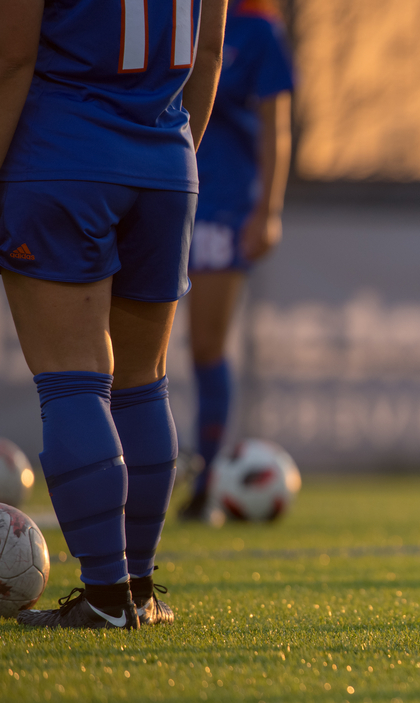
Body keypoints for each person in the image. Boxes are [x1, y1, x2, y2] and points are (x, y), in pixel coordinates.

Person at [0, 0, 227, 628]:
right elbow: (207, 55)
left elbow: (13, 55)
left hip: (59, 152)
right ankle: (138, 592)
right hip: (165, 157)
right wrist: (167, 160)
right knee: (139, 383)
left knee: (73, 379)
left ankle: (104, 598)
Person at [177, 0, 294, 522]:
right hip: (155, 190)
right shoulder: (175, 13)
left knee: (205, 345)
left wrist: (268, 210)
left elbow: (276, 126)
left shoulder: (258, 30)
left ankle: (208, 476)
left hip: (222, 204)